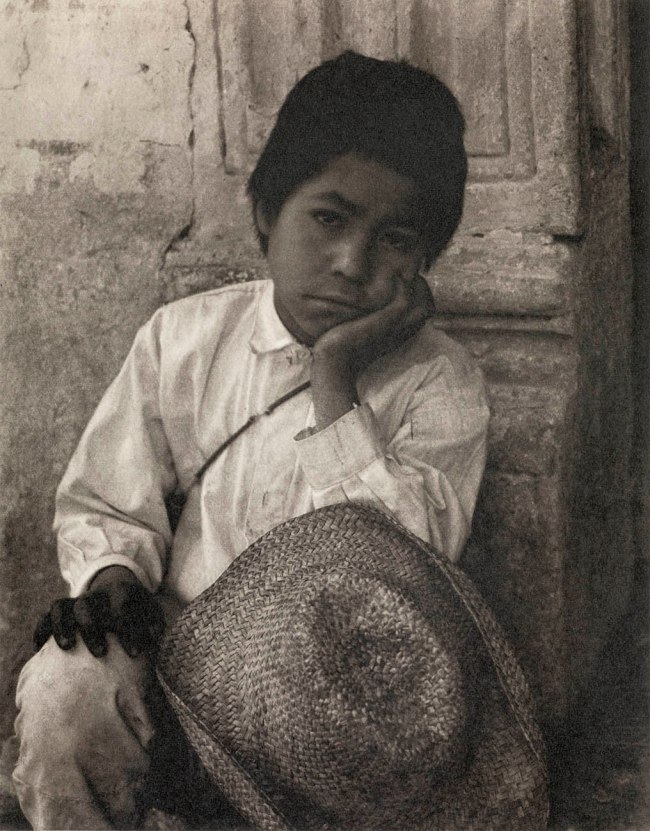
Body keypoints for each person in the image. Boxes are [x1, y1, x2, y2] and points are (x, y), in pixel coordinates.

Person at [12, 50, 490, 829]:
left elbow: (406, 572)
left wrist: (336, 376)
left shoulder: (440, 383)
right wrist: (110, 582)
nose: (351, 262)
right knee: (65, 688)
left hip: (332, 720)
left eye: (395, 238)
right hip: (174, 678)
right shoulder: (186, 339)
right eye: (328, 218)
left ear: (426, 261)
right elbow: (108, 500)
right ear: (268, 211)